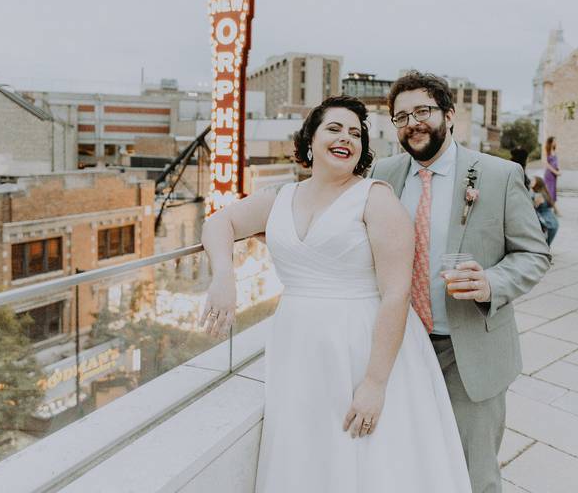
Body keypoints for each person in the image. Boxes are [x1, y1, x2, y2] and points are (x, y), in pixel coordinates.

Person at [201, 96, 472, 493]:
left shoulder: (376, 199)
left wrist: (375, 383)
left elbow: (396, 294)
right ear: (310, 140)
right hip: (298, 346)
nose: (347, 138)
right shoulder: (279, 198)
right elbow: (219, 222)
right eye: (334, 128)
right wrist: (224, 276)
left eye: (355, 133)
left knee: (371, 459)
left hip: (363, 346)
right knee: (310, 455)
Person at [369, 72, 552, 493]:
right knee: (409, 463)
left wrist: (491, 282)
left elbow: (535, 253)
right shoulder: (382, 174)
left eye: (422, 111)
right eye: (401, 116)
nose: (412, 122)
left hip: (469, 349)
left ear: (449, 115)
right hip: (402, 348)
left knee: (474, 472)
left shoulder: (499, 174)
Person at [531, 177, 559, 245]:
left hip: (545, 218)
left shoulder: (539, 195)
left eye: (533, 181)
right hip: (551, 219)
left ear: (537, 183)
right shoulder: (543, 192)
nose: (531, 181)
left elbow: (533, 208)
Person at [543, 136, 560, 213]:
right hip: (549, 174)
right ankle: (556, 210)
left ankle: (553, 208)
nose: (555, 142)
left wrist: (558, 170)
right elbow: (546, 164)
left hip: (554, 175)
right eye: (554, 141)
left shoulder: (554, 151)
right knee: (549, 191)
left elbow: (556, 163)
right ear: (551, 142)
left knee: (553, 191)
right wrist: (555, 171)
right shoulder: (547, 151)